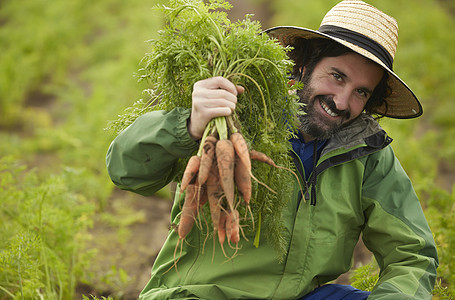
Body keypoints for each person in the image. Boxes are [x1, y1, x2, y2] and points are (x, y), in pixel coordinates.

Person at [106, 0, 439, 299]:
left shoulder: (368, 154)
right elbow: (127, 171)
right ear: (304, 65)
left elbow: (412, 253)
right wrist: (190, 126)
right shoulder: (240, 116)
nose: (342, 102)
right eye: (337, 77)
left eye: (361, 92)